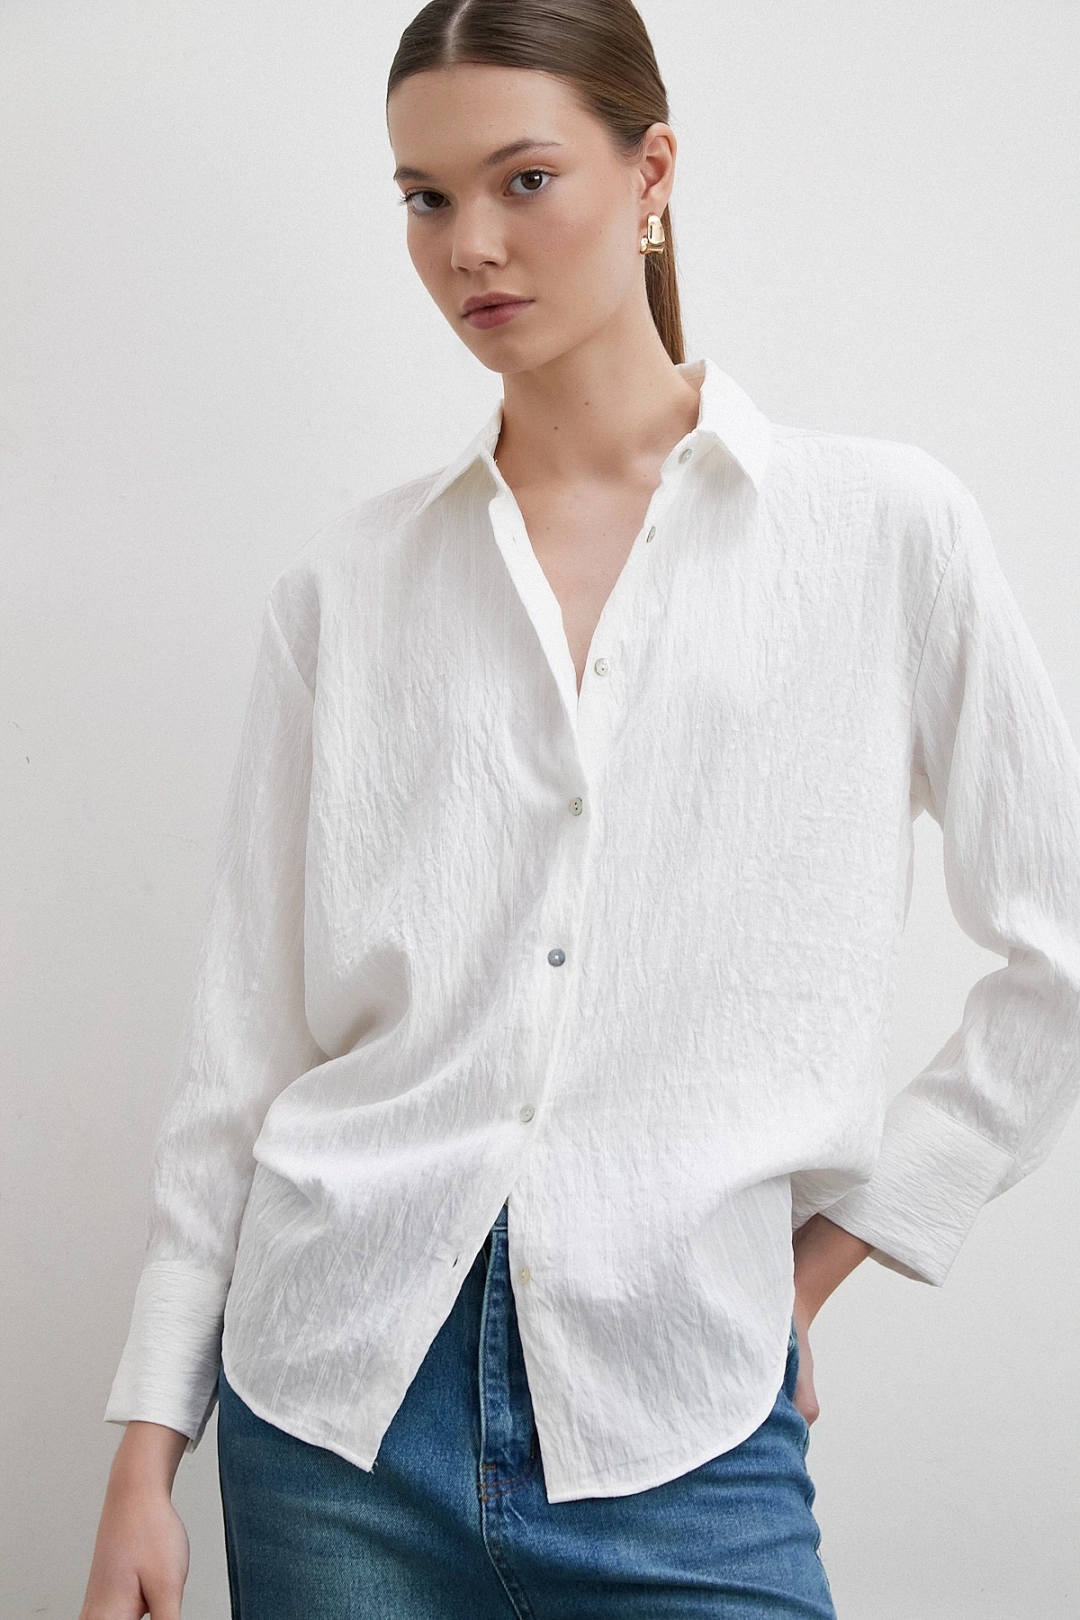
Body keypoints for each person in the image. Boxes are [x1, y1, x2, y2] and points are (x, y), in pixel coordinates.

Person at [80, 2, 1080, 1616]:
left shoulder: (882, 533)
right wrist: (146, 1450)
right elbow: (242, 1049)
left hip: (682, 1415)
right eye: (425, 197)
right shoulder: (348, 588)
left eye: (524, 178)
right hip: (333, 1416)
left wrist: (817, 1267)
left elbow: (1059, 949)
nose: (470, 244)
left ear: (652, 172)